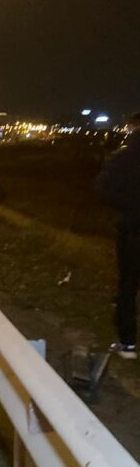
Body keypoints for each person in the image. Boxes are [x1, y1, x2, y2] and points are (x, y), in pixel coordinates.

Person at [96, 112, 140, 359]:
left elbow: (103, 190)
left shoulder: (122, 158)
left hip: (132, 231)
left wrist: (127, 206)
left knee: (128, 286)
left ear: (132, 128)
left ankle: (129, 344)